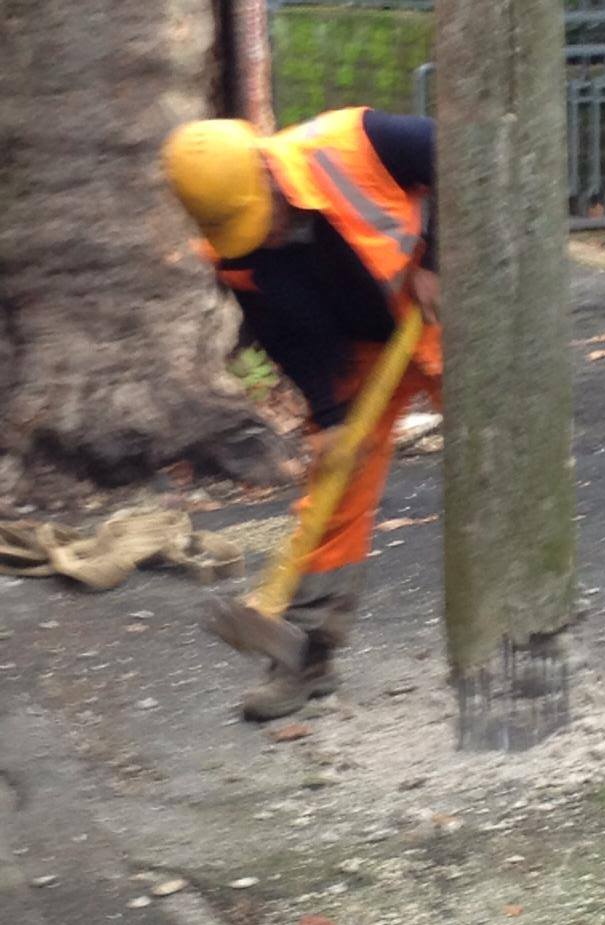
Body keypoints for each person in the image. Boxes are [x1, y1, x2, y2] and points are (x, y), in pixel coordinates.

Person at [163, 106, 441, 721]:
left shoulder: (356, 143)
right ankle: (304, 658)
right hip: (366, 348)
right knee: (333, 495)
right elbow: (287, 334)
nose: (259, 237)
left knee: (499, 465)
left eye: (257, 218)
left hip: (445, 315)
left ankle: (525, 630)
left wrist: (437, 263)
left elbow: (457, 155)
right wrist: (332, 416)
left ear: (267, 169)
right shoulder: (232, 251)